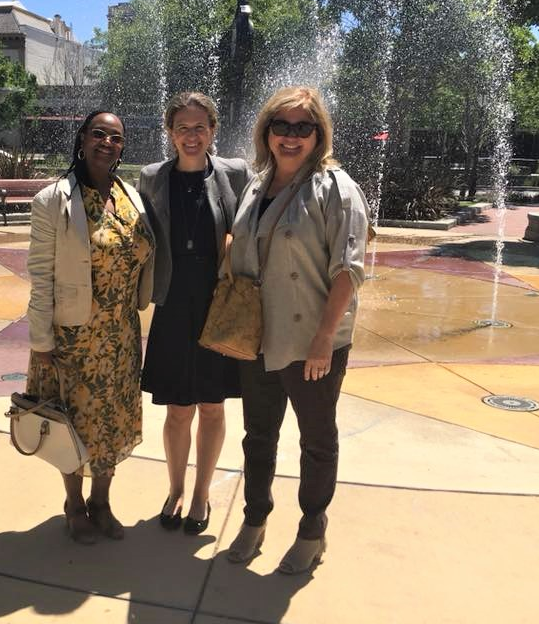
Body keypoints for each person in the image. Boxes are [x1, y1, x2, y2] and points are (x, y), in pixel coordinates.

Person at [225, 86, 369, 574]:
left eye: (302, 128)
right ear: (266, 131)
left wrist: (325, 338)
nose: (290, 137)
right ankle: (254, 519)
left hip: (312, 340)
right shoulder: (256, 182)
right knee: (258, 435)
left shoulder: (337, 188)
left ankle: (312, 527)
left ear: (317, 134)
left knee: (316, 439)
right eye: (280, 126)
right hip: (259, 336)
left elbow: (348, 269)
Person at [26, 111, 156, 545]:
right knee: (73, 423)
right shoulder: (55, 200)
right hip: (73, 338)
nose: (107, 142)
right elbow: (41, 275)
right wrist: (40, 340)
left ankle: (102, 501)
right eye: (98, 134)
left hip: (120, 335)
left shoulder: (130, 197)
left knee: (113, 422)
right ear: (82, 140)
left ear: (123, 147)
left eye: (116, 137)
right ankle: (75, 504)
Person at [138, 92, 250, 535]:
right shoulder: (152, 178)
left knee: (213, 406)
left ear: (213, 130)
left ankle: (202, 493)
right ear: (170, 132)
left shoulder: (235, 173)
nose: (191, 135)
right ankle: (176, 489)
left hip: (217, 306)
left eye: (200, 127)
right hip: (172, 305)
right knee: (178, 410)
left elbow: (254, 223)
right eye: (182, 127)